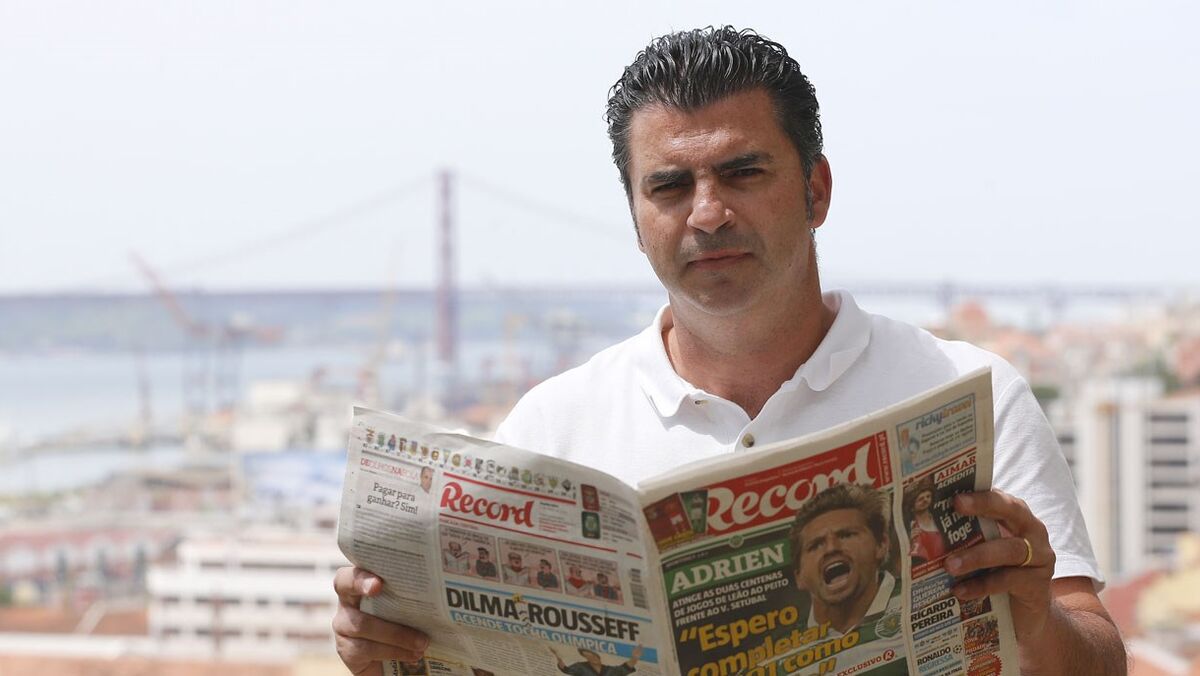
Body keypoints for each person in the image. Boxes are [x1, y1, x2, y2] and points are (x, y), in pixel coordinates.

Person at [333, 26, 1126, 675]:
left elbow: (1098, 658)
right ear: (635, 216)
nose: (707, 214)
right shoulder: (552, 425)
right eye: (669, 187)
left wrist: (1036, 619)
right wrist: (385, 654)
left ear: (816, 191)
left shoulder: (969, 391)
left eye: (742, 173)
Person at [789, 484, 899, 635]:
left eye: (846, 535)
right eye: (816, 545)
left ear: (881, 545)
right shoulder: (785, 642)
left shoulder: (917, 597)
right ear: (799, 576)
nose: (831, 548)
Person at [904, 476, 946, 565]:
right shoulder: (913, 528)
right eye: (920, 499)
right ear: (912, 507)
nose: (925, 500)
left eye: (928, 496)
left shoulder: (938, 517)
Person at [550, 645, 643, 676]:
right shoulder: (580, 667)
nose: (592, 658)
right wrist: (557, 656)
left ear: (598, 657)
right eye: (588, 657)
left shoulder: (610, 670)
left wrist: (635, 657)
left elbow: (625, 668)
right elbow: (565, 669)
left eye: (593, 656)